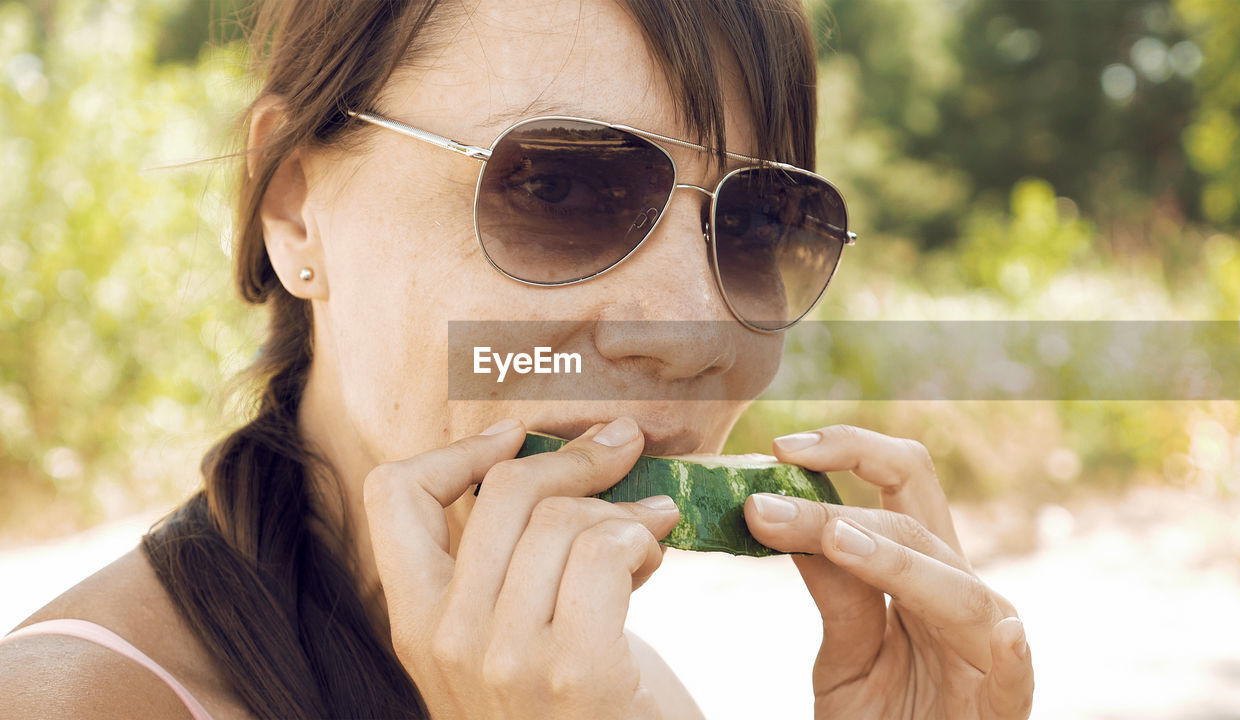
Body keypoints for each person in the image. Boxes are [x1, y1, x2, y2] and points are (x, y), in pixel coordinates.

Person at [0, 0, 1034, 717]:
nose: (694, 330)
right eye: (557, 189)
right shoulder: (70, 704)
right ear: (295, 210)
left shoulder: (626, 694)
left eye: (761, 224)